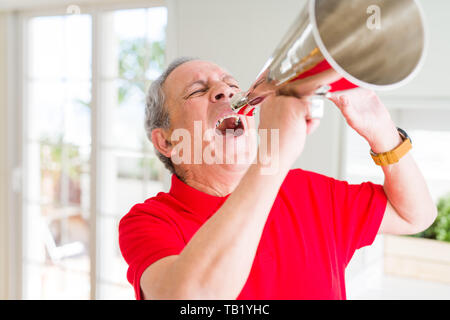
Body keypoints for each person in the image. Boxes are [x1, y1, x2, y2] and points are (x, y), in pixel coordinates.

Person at [118, 57, 437, 300]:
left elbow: (416, 216)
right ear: (167, 142)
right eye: (199, 91)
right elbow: (195, 297)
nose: (225, 91)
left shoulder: (310, 191)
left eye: (230, 85)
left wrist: (381, 130)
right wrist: (273, 156)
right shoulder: (148, 222)